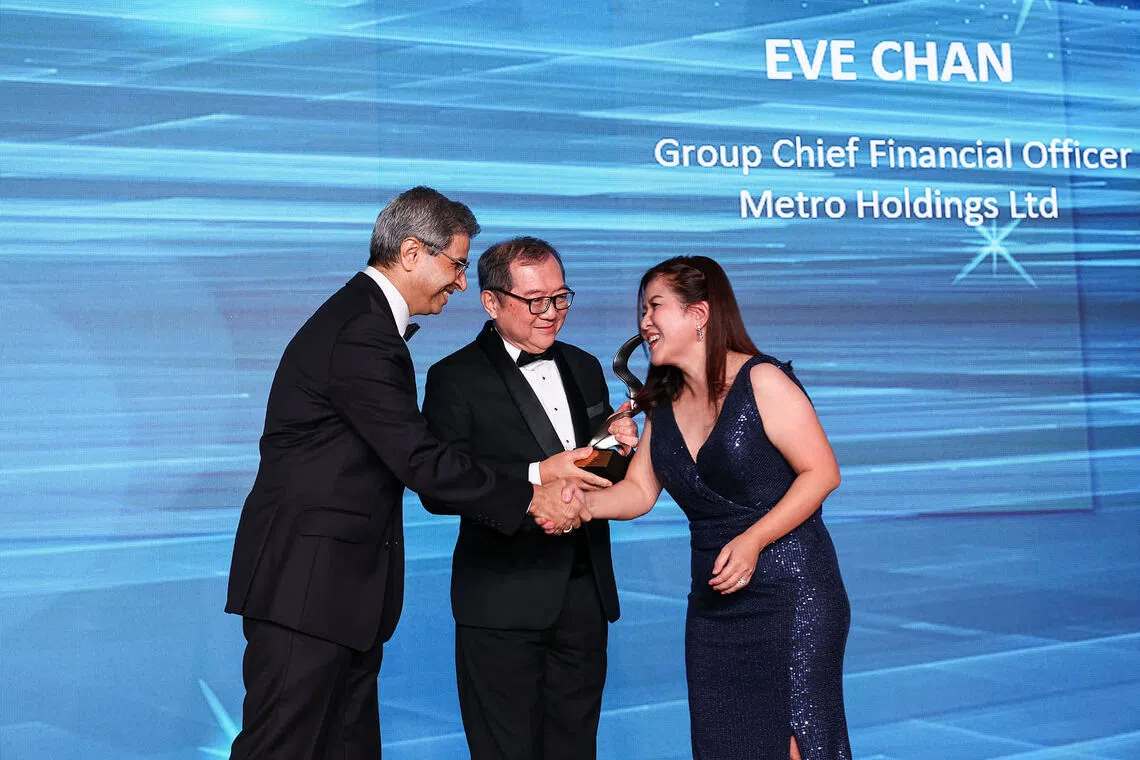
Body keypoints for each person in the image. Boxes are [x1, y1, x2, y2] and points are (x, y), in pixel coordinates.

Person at [224, 188, 587, 760]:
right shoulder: (362, 330)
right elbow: (419, 459)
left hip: (333, 596)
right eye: (458, 265)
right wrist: (530, 496)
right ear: (413, 252)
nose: (462, 283)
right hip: (308, 590)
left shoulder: (360, 320)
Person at [575, 256, 852, 760]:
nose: (644, 322)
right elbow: (638, 492)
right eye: (641, 310)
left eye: (654, 306)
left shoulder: (762, 379)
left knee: (795, 742)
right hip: (714, 605)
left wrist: (752, 540)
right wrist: (574, 504)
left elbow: (822, 474)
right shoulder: (661, 402)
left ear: (699, 314)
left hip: (791, 594)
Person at [420, 237, 638, 760]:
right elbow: (437, 488)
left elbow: (595, 471)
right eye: (535, 300)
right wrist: (535, 477)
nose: (551, 313)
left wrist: (617, 447)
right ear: (491, 302)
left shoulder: (584, 365)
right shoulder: (453, 377)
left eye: (560, 298)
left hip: (584, 596)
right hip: (500, 600)